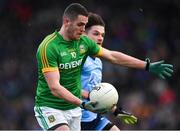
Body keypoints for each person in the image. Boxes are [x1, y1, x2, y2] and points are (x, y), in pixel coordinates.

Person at [34, 3, 173, 131]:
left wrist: (146, 65)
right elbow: (56, 87)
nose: (100, 38)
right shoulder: (49, 47)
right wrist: (85, 101)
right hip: (54, 107)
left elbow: (113, 57)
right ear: (66, 22)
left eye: (102, 35)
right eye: (81, 26)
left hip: (86, 113)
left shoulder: (91, 53)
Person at [81, 12, 138, 131]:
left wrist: (117, 111)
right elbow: (62, 85)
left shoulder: (98, 62)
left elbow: (96, 93)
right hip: (73, 118)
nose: (100, 38)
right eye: (96, 34)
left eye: (102, 34)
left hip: (93, 119)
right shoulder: (75, 58)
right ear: (84, 34)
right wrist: (88, 95)